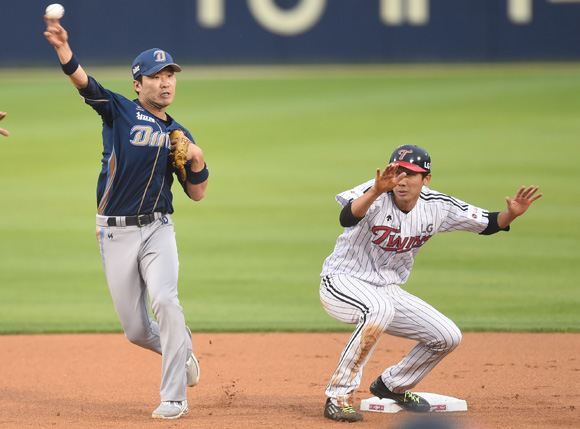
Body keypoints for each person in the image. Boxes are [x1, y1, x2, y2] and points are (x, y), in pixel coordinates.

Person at [44, 15, 209, 420]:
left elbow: (197, 193)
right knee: (136, 331)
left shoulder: (179, 135)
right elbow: (85, 83)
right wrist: (63, 48)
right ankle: (180, 345)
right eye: (156, 76)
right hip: (114, 234)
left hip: (157, 228)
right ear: (138, 84)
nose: (165, 82)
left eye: (170, 74)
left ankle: (174, 396)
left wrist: (198, 160)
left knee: (166, 302)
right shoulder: (118, 111)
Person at [320, 144, 542, 422]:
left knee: (446, 336)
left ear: (426, 179)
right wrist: (376, 189)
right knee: (378, 310)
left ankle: (392, 386)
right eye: (397, 171)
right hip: (342, 280)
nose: (401, 180)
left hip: (386, 289)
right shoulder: (375, 191)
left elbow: (489, 223)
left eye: (411, 174)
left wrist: (512, 214)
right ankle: (339, 396)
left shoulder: (437, 206)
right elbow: (347, 217)